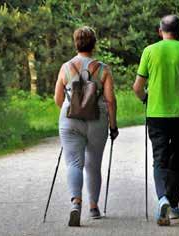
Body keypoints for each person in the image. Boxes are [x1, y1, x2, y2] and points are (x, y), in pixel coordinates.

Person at [133, 15, 179, 226]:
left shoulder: (149, 51)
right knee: (177, 158)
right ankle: (173, 205)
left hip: (156, 115)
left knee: (160, 158)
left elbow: (137, 87)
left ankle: (162, 197)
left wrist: (146, 98)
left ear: (160, 31)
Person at [54, 26, 118, 227]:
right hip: (97, 120)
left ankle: (75, 203)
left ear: (76, 43)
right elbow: (110, 101)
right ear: (94, 44)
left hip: (70, 120)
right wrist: (113, 125)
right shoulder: (103, 69)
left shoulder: (65, 67)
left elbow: (57, 99)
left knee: (74, 163)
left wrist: (73, 107)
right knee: (93, 164)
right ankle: (93, 207)